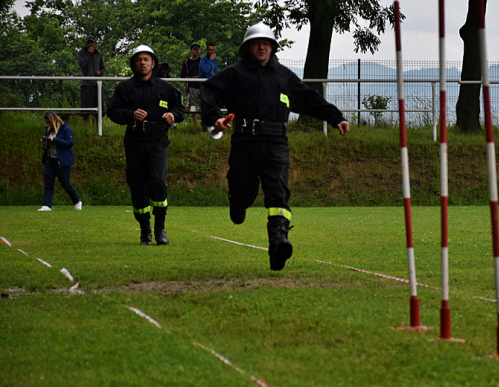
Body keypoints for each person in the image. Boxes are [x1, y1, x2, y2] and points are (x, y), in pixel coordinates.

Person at [201, 23, 350, 271]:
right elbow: (208, 90)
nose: (262, 46)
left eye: (266, 43)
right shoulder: (235, 74)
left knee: (278, 193)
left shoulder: (283, 76)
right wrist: (214, 117)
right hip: (244, 143)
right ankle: (237, 202)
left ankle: (279, 243)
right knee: (242, 192)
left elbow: (309, 98)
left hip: (276, 145)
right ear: (247, 47)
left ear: (272, 47)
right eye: (257, 43)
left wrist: (336, 117)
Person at [107, 45, 185, 245]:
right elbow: (113, 112)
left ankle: (160, 229)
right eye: (138, 59)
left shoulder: (164, 88)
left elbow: (180, 109)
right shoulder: (124, 88)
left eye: (146, 59)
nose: (142, 62)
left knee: (158, 181)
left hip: (158, 141)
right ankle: (145, 232)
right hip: (134, 141)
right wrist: (130, 114)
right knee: (138, 185)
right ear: (134, 64)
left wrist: (173, 115)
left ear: (153, 63)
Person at [38, 112, 82, 212]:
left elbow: (69, 143)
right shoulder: (49, 130)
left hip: (63, 161)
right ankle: (46, 205)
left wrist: (55, 140)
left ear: (55, 120)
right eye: (46, 123)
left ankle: (77, 201)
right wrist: (45, 140)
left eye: (49, 122)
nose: (48, 124)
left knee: (65, 183)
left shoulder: (66, 129)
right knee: (48, 184)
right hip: (49, 160)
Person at [77, 35, 107, 125]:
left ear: (95, 43)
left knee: (99, 109)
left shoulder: (99, 54)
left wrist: (100, 73)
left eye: (91, 42)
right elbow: (82, 64)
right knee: (85, 111)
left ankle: (99, 129)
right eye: (88, 42)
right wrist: (89, 54)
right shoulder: (81, 53)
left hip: (97, 84)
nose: (90, 44)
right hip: (86, 84)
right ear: (85, 43)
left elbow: (103, 68)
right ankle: (86, 130)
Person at [180, 43, 203, 128]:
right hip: (192, 86)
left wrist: (200, 77)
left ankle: (204, 125)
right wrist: (192, 78)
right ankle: (195, 126)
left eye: (198, 49)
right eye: (195, 49)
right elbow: (183, 76)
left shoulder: (202, 60)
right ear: (191, 50)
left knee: (204, 105)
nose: (197, 51)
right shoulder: (186, 62)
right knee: (193, 106)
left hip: (202, 86)